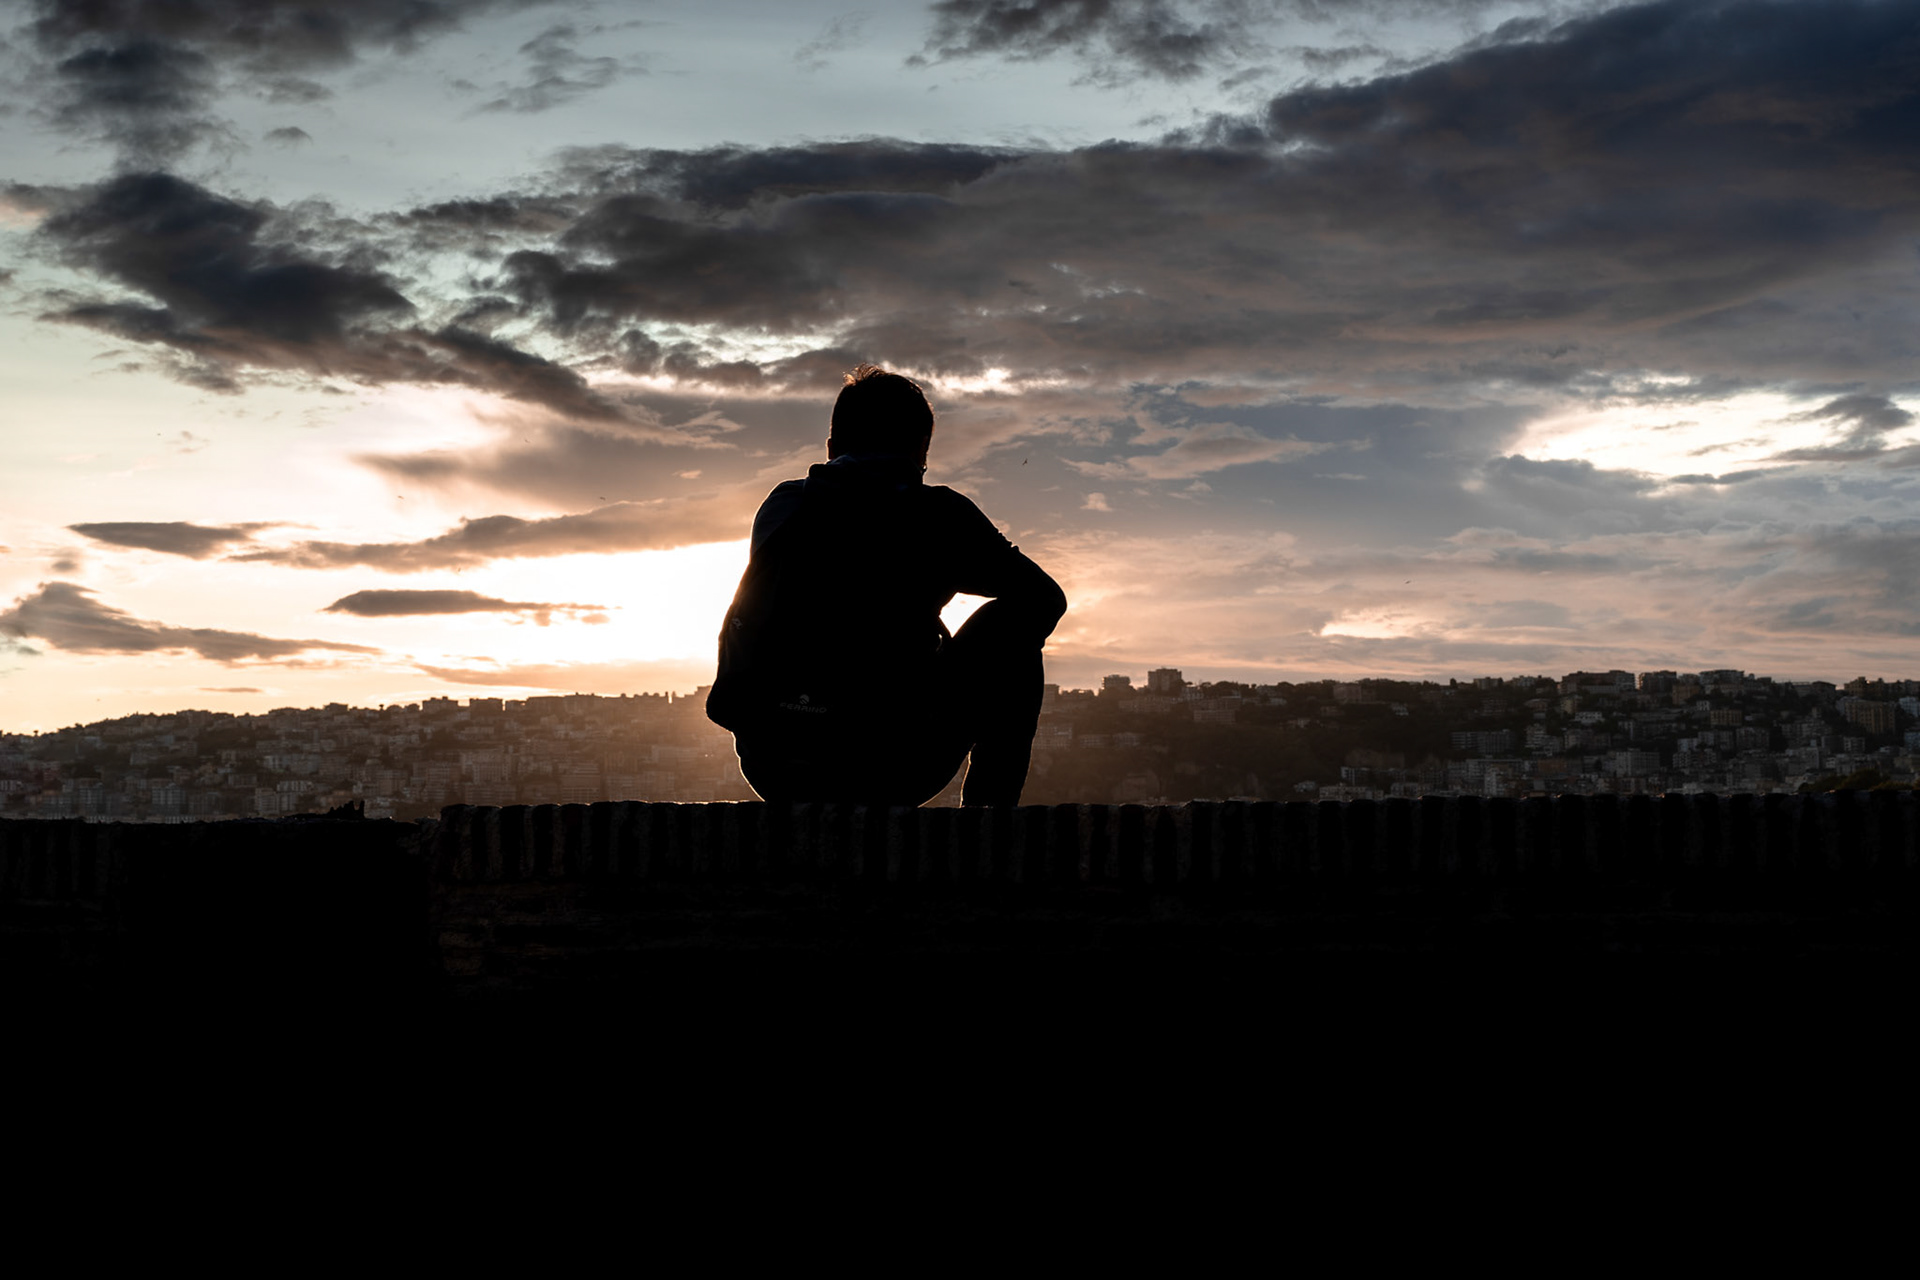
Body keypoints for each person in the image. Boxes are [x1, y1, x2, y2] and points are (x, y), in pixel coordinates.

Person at [707, 365, 1067, 807]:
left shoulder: (784, 504)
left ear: (831, 446)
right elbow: (1045, 599)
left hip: (773, 766)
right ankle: (988, 819)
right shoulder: (940, 515)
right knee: (1018, 638)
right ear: (920, 451)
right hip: (888, 769)